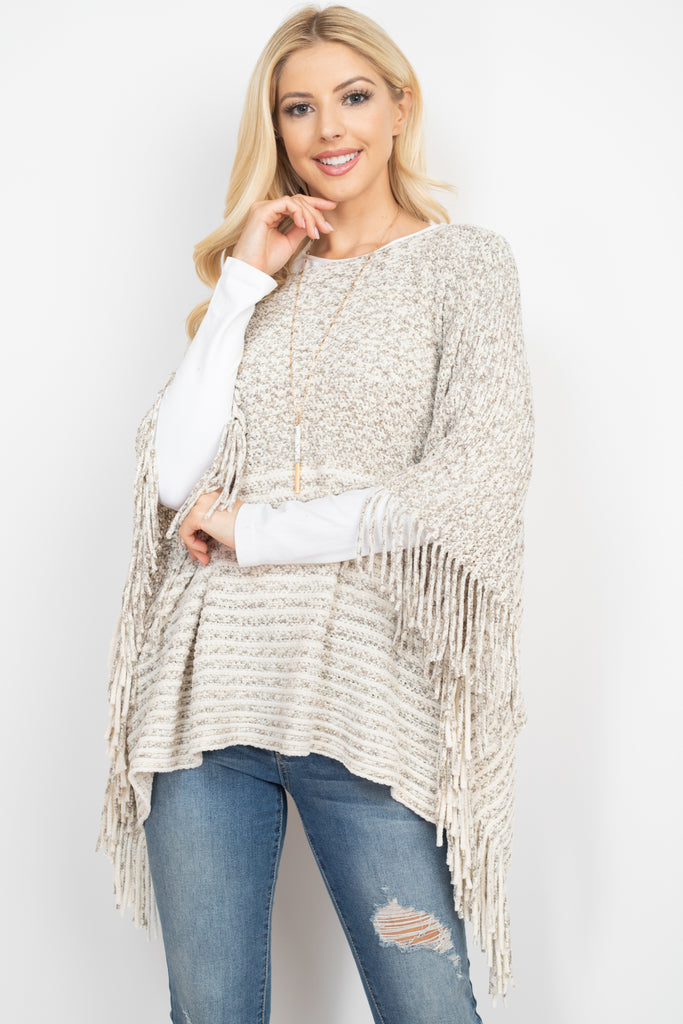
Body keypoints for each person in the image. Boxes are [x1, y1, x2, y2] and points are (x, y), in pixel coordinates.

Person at [96, 5, 535, 1023]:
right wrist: (244, 281)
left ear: (399, 108)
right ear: (276, 127)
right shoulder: (264, 277)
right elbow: (174, 472)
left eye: (353, 97)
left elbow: (474, 477)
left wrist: (257, 532)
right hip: (207, 696)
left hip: (364, 697)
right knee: (211, 1010)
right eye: (298, 107)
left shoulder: (463, 267)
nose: (327, 128)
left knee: (426, 1000)